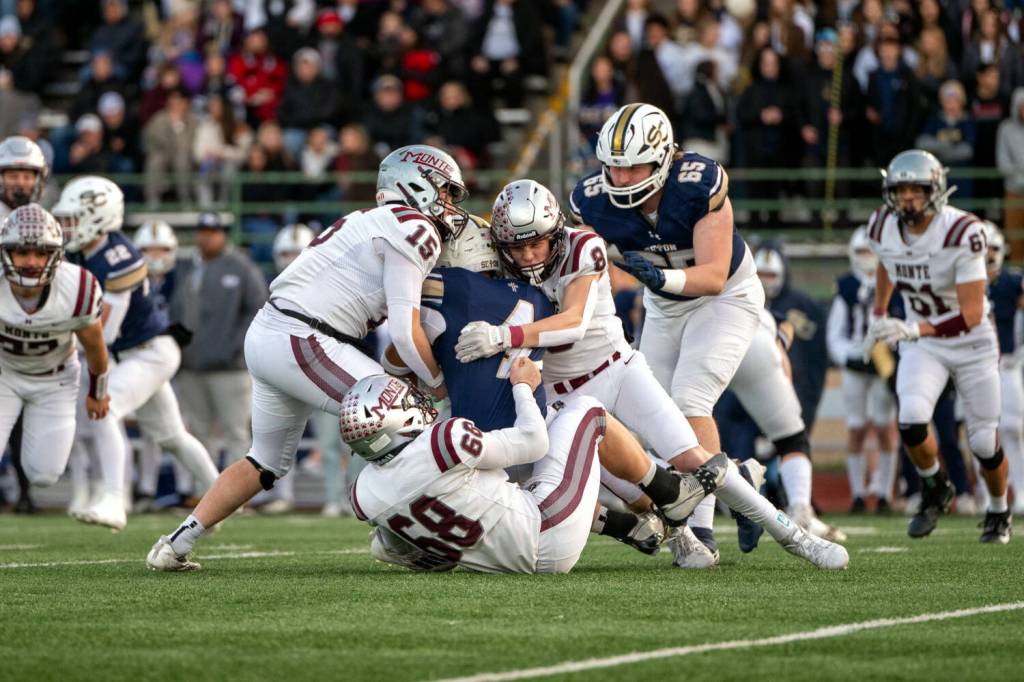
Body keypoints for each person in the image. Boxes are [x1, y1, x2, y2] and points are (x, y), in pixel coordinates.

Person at [456, 179, 847, 570]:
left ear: (556, 232)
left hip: (616, 371)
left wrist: (502, 335)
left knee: (692, 458)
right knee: (635, 491)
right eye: (516, 247)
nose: (527, 256)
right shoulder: (496, 267)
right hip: (565, 398)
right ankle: (685, 537)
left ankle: (797, 537)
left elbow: (573, 322)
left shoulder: (581, 246)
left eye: (535, 243)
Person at [147, 145, 468, 570]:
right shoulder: (414, 228)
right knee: (409, 420)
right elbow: (407, 335)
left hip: (273, 332)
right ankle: (396, 539)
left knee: (265, 461)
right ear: (417, 183)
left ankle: (175, 544)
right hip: (305, 336)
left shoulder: (370, 220)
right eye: (444, 191)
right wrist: (440, 384)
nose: (447, 203)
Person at [568, 103, 764, 560]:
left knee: (691, 399)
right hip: (663, 307)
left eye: (634, 165)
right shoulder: (590, 200)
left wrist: (658, 279)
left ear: (662, 157)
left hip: (726, 298)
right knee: (656, 423)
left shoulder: (699, 183)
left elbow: (714, 275)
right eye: (614, 167)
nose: (622, 178)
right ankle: (741, 477)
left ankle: (702, 526)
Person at [864, 149, 1010, 543]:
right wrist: (879, 313)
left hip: (971, 342)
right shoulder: (882, 226)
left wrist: (915, 330)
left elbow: (972, 314)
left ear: (936, 189)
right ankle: (935, 486)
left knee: (982, 440)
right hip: (924, 340)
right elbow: (885, 261)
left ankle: (998, 510)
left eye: (917, 190)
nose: (908, 198)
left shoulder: (962, 231)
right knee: (910, 418)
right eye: (901, 190)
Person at [56, 176, 218, 530]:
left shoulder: (120, 256)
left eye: (74, 218)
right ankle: (223, 500)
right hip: (131, 354)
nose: (67, 227)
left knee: (105, 409)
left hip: (150, 351)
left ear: (98, 217)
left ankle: (115, 499)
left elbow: (106, 331)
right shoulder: (79, 253)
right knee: (174, 437)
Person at [0, 204, 108, 515]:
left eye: (41, 253)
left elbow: (95, 346)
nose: (32, 262)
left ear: (56, 255)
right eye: (22, 253)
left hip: (55, 381)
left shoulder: (78, 287)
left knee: (44, 475)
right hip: (5, 374)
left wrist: (98, 391)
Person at [170, 212, 267, 473]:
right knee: (199, 433)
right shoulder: (188, 268)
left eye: (213, 232)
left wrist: (235, 346)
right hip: (192, 366)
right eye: (202, 231)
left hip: (230, 368)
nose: (206, 237)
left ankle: (236, 498)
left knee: (236, 433)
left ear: (223, 235)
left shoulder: (241, 267)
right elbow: (176, 312)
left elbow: (258, 310)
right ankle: (207, 495)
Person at [826, 227, 899, 513]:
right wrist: (849, 357)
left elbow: (899, 324)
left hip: (883, 364)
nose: (865, 258)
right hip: (856, 364)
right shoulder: (845, 286)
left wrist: (889, 355)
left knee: (884, 428)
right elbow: (835, 334)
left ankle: (884, 494)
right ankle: (858, 493)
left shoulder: (892, 284)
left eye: (870, 251)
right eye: (860, 252)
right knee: (856, 427)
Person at [982, 222, 1024, 517]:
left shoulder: (1013, 283)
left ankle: (1021, 490)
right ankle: (988, 495)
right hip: (975, 365)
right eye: (984, 248)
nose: (988, 254)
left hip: (1008, 364)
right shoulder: (961, 283)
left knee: (1013, 429)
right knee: (981, 433)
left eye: (993, 248)